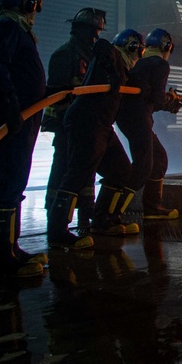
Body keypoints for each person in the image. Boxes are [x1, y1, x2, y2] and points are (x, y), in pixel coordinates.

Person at [0, 0, 48, 277]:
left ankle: (11, 249)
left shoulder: (18, 31)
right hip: (6, 119)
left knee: (14, 184)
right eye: (34, 5)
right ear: (27, 3)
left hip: (19, 118)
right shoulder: (6, 27)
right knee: (4, 186)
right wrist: (10, 106)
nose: (35, 12)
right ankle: (2, 262)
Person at [48, 29, 142, 245]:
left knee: (121, 169)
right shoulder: (111, 53)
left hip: (102, 124)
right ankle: (57, 231)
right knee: (78, 173)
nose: (139, 56)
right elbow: (101, 45)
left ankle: (102, 220)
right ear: (132, 47)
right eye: (139, 50)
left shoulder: (124, 69)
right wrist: (112, 72)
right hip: (87, 121)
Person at [42, 7, 107, 233]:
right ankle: (56, 217)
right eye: (93, 31)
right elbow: (57, 94)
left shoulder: (90, 55)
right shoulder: (64, 55)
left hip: (85, 123)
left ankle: (86, 214)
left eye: (98, 32)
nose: (96, 37)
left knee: (86, 169)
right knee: (63, 167)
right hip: (65, 123)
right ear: (79, 29)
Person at [116, 28, 182, 220]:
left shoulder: (141, 63)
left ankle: (153, 207)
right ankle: (112, 213)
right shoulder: (160, 64)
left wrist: (166, 101)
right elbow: (158, 98)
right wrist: (170, 101)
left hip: (129, 118)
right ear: (166, 46)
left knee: (158, 158)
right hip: (138, 118)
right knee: (143, 165)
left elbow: (149, 95)